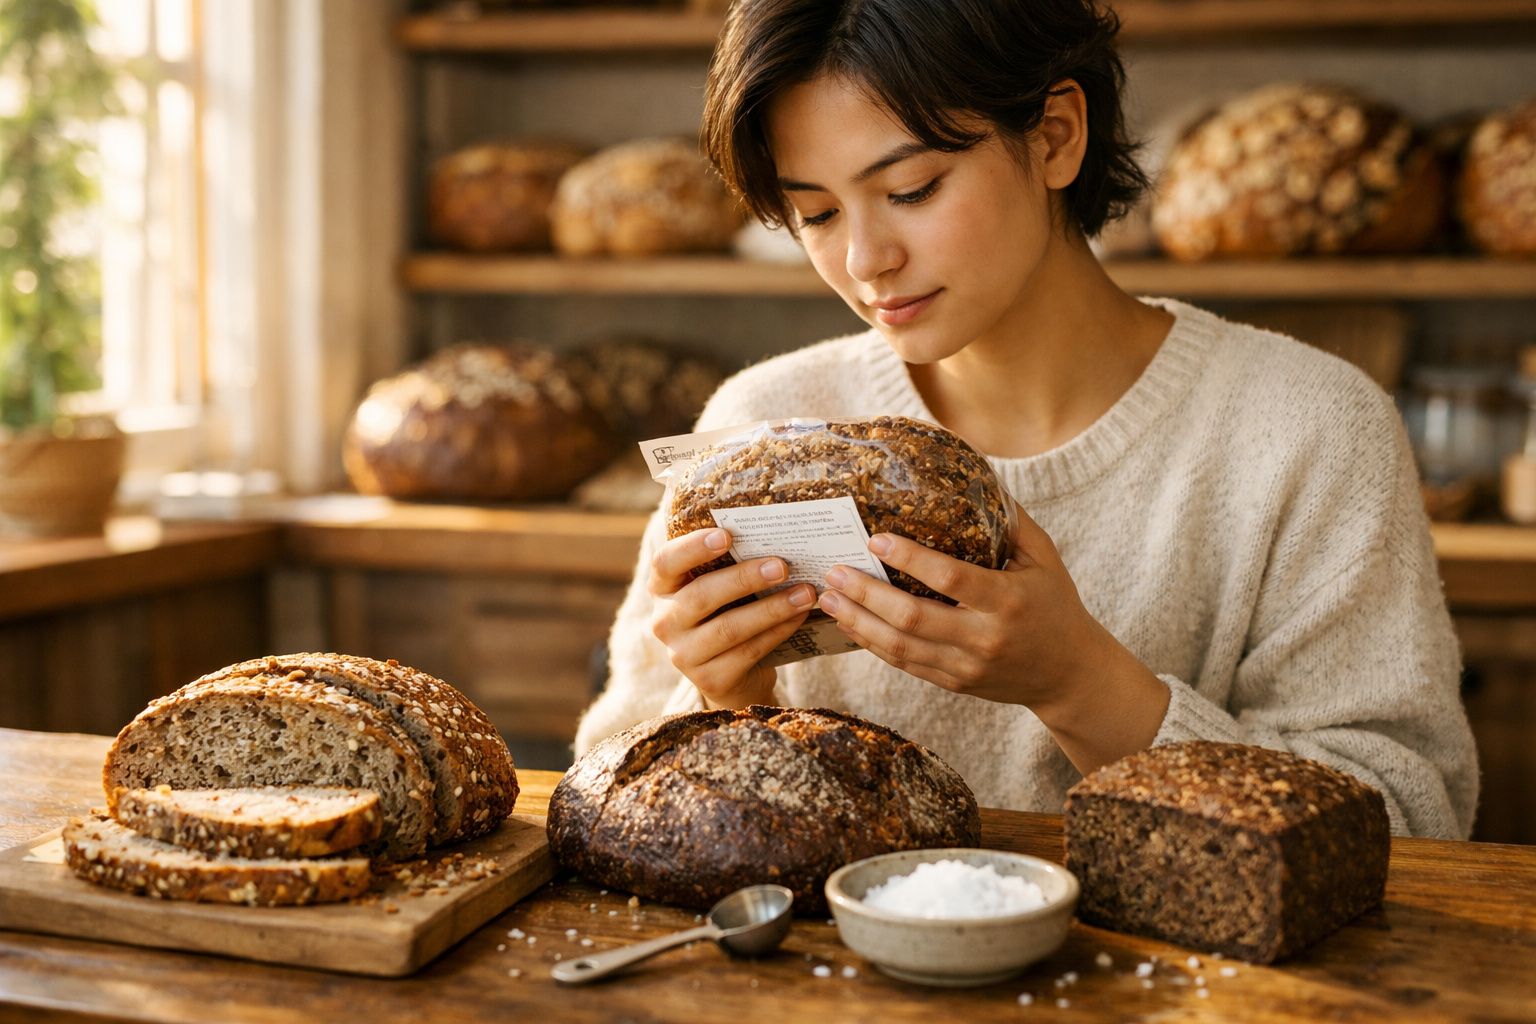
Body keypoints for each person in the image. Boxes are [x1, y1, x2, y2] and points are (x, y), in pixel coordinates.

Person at [573, 0, 1478, 840]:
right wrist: (723, 701)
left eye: (913, 189)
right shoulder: (767, 425)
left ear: (1055, 136)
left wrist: (1081, 685)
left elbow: (1410, 820)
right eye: (813, 212)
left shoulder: (1308, 429)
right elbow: (603, 789)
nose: (863, 260)